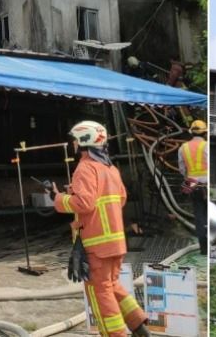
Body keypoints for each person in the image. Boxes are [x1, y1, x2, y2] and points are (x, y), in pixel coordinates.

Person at [51, 121, 149, 337]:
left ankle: (115, 334)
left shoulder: (85, 168)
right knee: (111, 285)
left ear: (83, 142)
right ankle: (138, 325)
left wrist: (58, 198)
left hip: (97, 244)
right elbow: (120, 198)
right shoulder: (110, 168)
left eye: (75, 140)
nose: (73, 144)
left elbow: (85, 204)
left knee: (99, 291)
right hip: (116, 242)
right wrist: (75, 193)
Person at [178, 120, 208, 255]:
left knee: (199, 217)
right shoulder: (207, 146)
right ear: (205, 132)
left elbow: (182, 169)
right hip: (207, 185)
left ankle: (203, 249)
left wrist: (190, 178)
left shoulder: (183, 148)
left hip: (192, 185)